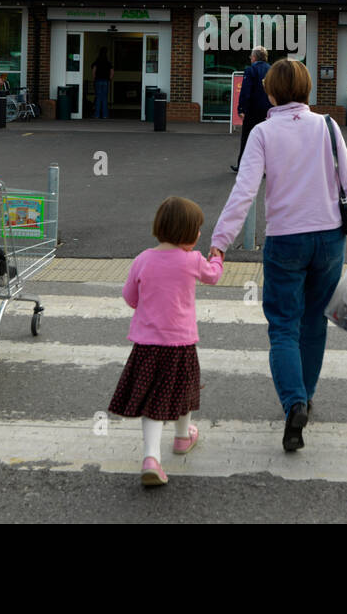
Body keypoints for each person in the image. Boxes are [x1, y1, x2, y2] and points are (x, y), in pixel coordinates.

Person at [209, 58, 347, 453]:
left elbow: (245, 191)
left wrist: (221, 240)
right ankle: (306, 393)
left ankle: (294, 403)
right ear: (306, 90)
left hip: (286, 241)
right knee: (313, 321)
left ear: (270, 92)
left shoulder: (262, 133)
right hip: (329, 239)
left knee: (283, 326)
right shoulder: (328, 126)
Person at [109, 196, 224, 486]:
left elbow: (129, 298)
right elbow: (213, 277)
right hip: (181, 344)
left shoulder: (143, 259)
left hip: (147, 345)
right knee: (183, 389)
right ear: (186, 232)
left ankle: (154, 453)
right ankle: (178, 440)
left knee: (152, 400)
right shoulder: (192, 260)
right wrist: (218, 256)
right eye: (197, 229)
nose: (199, 234)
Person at [231, 46, 271, 173]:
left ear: (254, 57)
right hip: (268, 110)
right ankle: (265, 168)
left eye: (250, 56)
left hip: (253, 110)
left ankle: (242, 166)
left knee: (247, 138)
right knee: (266, 139)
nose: (250, 59)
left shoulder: (251, 70)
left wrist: (241, 108)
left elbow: (246, 91)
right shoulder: (272, 70)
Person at [91, 49, 113, 119]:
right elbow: (112, 72)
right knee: (104, 98)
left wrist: (94, 79)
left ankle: (97, 115)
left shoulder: (96, 62)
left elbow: (94, 71)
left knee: (98, 98)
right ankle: (105, 115)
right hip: (105, 81)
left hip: (98, 81)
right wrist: (109, 79)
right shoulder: (108, 63)